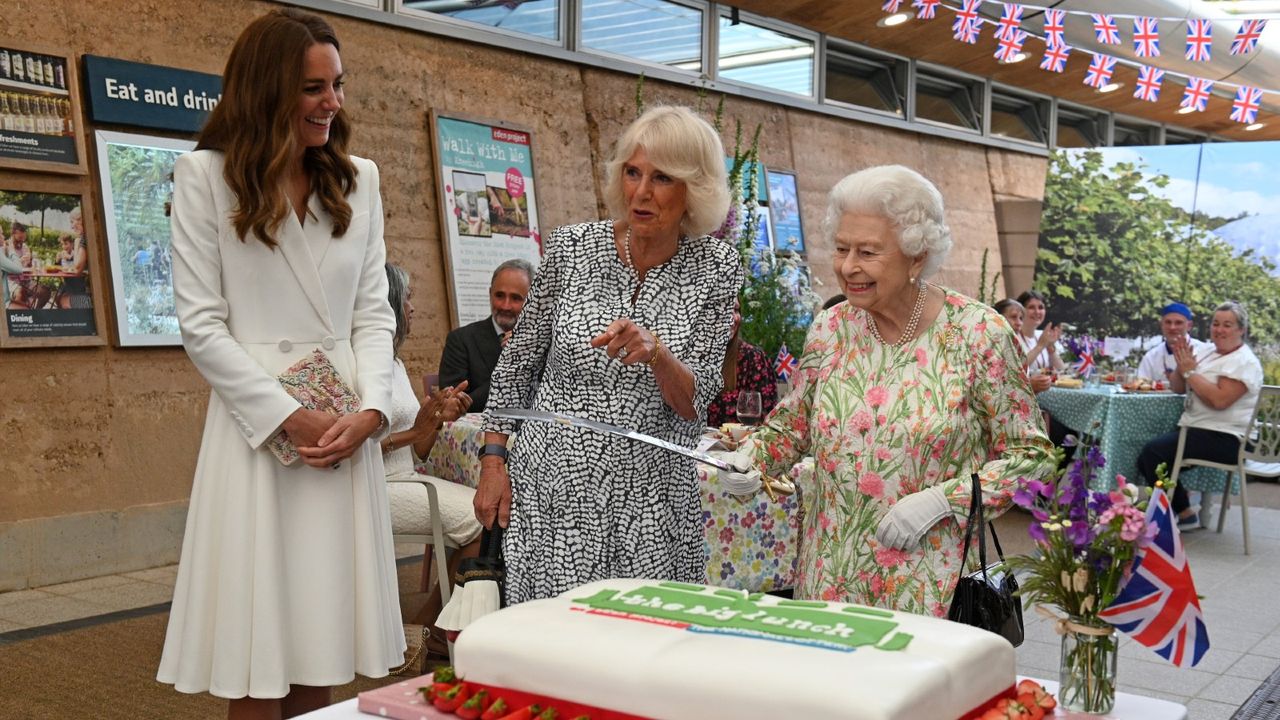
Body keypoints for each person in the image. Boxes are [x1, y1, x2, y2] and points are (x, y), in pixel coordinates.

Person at [156, 10, 405, 717]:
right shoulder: (205, 176)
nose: (333, 102)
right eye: (312, 88)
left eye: (338, 84)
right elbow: (201, 325)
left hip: (343, 432)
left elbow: (373, 314)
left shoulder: (361, 180)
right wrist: (287, 418)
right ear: (266, 91)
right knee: (259, 654)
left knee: (321, 639)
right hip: (260, 434)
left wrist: (373, 411)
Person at [715, 165, 1054, 617]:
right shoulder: (830, 328)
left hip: (931, 589)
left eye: (868, 252)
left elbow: (1031, 458)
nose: (848, 266)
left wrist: (942, 501)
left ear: (917, 256)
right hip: (828, 579)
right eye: (841, 248)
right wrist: (752, 458)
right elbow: (792, 426)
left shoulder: (978, 334)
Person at [474, 105, 742, 605]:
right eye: (632, 172)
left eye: (662, 178)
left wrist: (658, 354)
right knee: (554, 644)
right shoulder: (572, 248)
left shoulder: (717, 267)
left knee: (640, 648)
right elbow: (517, 366)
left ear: (695, 190)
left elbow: (696, 403)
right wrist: (493, 462)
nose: (640, 192)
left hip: (651, 498)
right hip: (553, 490)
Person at [381, 262, 482, 641]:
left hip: (406, 477)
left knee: (486, 508)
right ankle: (432, 629)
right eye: (406, 298)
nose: (412, 308)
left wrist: (436, 418)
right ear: (388, 303)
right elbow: (353, 449)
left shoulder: (393, 361)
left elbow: (419, 449)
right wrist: (415, 431)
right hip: (377, 487)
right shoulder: (362, 364)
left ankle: (430, 625)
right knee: (481, 516)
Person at [1136, 302, 1263, 530]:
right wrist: (1180, 364)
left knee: (1153, 453)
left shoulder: (1244, 361)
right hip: (1199, 430)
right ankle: (1178, 511)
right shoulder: (1206, 351)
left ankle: (1183, 513)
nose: (1219, 330)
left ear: (1241, 330)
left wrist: (1190, 372)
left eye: (1227, 325)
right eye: (1216, 324)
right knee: (1150, 454)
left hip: (1228, 438)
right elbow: (1177, 387)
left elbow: (1219, 400)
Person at [437, 258, 533, 412]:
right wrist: (510, 364)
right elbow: (455, 407)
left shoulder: (544, 343)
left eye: (516, 298)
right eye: (499, 296)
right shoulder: (461, 340)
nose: (505, 306)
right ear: (490, 294)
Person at [707, 303, 778, 428]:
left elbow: (768, 417)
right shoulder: (688, 357)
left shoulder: (752, 358)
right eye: (725, 309)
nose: (733, 317)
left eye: (736, 310)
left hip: (741, 445)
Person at [1136, 302, 1210, 382]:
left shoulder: (1205, 352)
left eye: (1178, 323)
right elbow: (1141, 385)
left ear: (1189, 326)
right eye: (1168, 322)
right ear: (1162, 325)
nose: (1172, 327)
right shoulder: (1151, 357)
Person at [1015, 289, 1065, 374]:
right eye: (1031, 307)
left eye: (1041, 307)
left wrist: (1050, 348)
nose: (1037, 312)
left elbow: (1061, 369)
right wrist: (1040, 346)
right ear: (1020, 311)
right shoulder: (1013, 337)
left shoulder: (1043, 335)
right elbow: (1016, 369)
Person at [55, 207, 91, 309]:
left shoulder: (83, 239)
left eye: (72, 222)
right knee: (61, 296)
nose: (71, 227)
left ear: (81, 220)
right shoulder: (89, 236)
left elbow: (77, 268)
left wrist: (76, 242)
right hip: (91, 291)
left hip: (91, 297)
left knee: (63, 300)